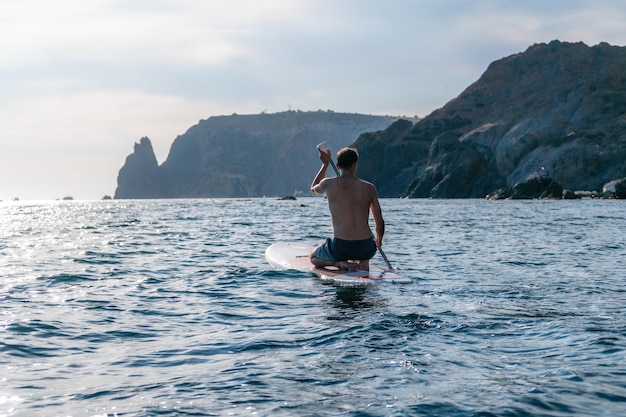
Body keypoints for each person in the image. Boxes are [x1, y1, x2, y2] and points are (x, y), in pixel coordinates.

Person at [310, 146, 385, 271]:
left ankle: (339, 263)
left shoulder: (327, 184)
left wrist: (325, 164)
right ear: (355, 165)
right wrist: (379, 240)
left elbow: (313, 188)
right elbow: (379, 221)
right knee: (363, 249)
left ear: (338, 166)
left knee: (313, 257)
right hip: (366, 248)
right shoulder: (369, 188)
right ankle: (363, 261)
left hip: (341, 248)